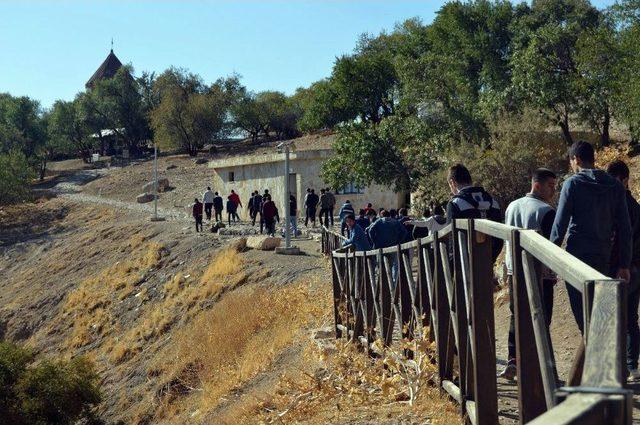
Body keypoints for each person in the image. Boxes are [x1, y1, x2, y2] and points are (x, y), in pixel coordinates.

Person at [551, 141, 631, 335]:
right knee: (598, 311)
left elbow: (559, 225)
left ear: (576, 159)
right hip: (603, 256)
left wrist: (549, 258)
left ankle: (593, 357)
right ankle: (599, 357)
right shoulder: (614, 185)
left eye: (571, 161)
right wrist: (624, 264)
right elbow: (625, 228)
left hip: (576, 257)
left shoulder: (573, 183)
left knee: (583, 315)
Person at [499, 168, 558, 380]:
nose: (553, 190)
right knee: (541, 319)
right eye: (550, 185)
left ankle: (513, 360)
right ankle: (539, 367)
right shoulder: (546, 211)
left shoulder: (511, 207)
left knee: (517, 316)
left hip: (514, 270)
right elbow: (552, 246)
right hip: (540, 275)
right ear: (537, 185)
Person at [607, 160, 640, 380]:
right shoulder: (634, 205)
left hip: (624, 268)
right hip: (635, 267)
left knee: (614, 317)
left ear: (625, 180)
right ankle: (631, 366)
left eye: (615, 180)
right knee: (630, 319)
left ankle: (620, 366)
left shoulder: (622, 206)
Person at [446, 163, 504, 262]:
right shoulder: (492, 202)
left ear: (452, 183)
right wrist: (490, 259)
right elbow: (499, 237)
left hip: (465, 265)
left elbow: (452, 240)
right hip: (488, 261)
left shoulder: (455, 204)